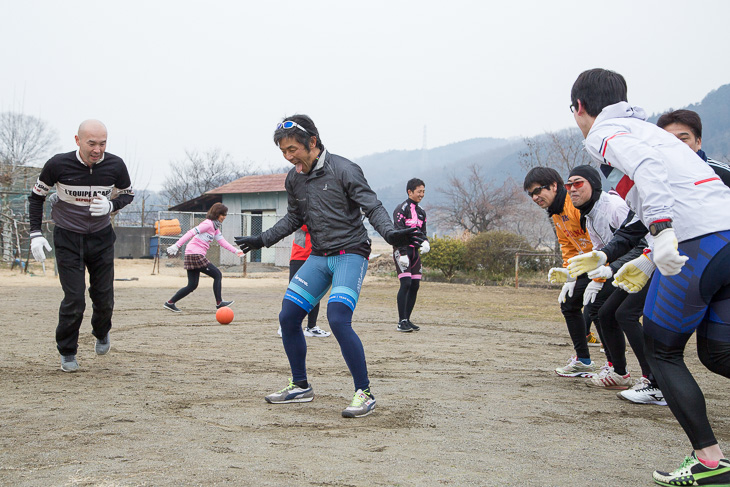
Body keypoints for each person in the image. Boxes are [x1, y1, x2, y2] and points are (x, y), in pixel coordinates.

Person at [567, 68, 730, 485]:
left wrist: (661, 232)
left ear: (580, 107)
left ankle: (711, 464)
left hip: (699, 242)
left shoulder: (603, 131)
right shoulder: (645, 128)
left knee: (662, 351)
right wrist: (637, 259)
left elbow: (649, 172)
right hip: (725, 237)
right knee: (717, 353)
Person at [234, 115, 423, 418]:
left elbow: (371, 206)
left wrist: (390, 233)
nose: (288, 156)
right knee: (288, 316)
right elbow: (294, 217)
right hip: (319, 255)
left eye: (293, 149)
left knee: (337, 317)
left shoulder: (344, 169)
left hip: (351, 252)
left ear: (313, 142)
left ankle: (364, 392)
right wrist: (261, 240)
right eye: (283, 151)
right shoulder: (294, 178)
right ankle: (300, 386)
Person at [28, 120, 134, 372]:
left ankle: (101, 332)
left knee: (104, 297)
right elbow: (36, 197)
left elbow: (128, 193)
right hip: (68, 238)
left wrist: (112, 206)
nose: (98, 149)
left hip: (101, 238)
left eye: (103, 143)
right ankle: (67, 352)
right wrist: (35, 233)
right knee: (74, 298)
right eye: (91, 143)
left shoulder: (115, 165)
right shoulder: (57, 164)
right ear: (78, 141)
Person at [565, 165, 665, 401]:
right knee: (607, 311)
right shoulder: (589, 215)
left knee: (624, 314)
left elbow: (637, 242)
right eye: (569, 186)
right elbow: (616, 242)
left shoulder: (614, 206)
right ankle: (623, 372)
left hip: (651, 262)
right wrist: (584, 272)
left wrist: (609, 268)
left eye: (577, 184)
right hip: (635, 261)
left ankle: (655, 381)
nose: (572, 190)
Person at [523, 167, 602, 378]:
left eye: (538, 191)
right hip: (585, 265)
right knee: (569, 303)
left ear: (554, 186)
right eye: (531, 194)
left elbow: (600, 239)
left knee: (602, 310)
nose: (535, 197)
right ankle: (584, 361)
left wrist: (600, 276)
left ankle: (616, 366)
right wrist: (570, 275)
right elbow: (566, 245)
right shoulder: (557, 212)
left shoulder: (575, 205)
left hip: (604, 262)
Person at [163, 203, 242, 312]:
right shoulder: (208, 224)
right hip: (195, 254)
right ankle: (219, 303)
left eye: (225, 214)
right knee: (217, 274)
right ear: (216, 214)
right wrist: (177, 245)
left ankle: (170, 303)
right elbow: (191, 232)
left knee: (192, 285)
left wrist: (236, 251)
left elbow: (222, 242)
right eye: (223, 214)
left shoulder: (215, 228)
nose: (224, 217)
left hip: (192, 254)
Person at [277, 225, 330, 337]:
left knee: (315, 291)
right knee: (293, 292)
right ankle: (284, 325)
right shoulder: (303, 210)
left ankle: (311, 327)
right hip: (299, 256)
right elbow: (307, 226)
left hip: (317, 255)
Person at [656, 109, 730, 187]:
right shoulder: (654, 174)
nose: (676, 144)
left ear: (698, 142)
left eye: (683, 139)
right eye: (670, 139)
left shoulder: (723, 175)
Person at [392, 178, 430, 332]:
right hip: (403, 251)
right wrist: (402, 253)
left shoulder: (421, 212)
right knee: (406, 283)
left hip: (415, 252)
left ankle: (407, 319)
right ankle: (401, 321)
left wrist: (425, 242)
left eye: (423, 192)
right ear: (410, 192)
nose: (422, 194)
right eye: (419, 191)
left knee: (415, 285)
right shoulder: (401, 209)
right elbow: (397, 233)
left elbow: (422, 232)